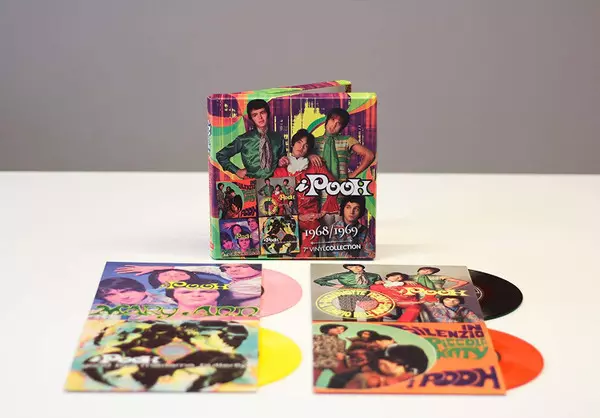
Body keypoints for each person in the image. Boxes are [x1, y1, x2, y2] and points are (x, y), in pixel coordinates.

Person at [272, 129, 340, 257]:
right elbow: (276, 200)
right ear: (292, 144)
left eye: (306, 145)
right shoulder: (280, 168)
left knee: (315, 229)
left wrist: (324, 210)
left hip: (310, 215)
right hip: (286, 215)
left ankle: (300, 261)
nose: (301, 147)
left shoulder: (315, 165)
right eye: (299, 142)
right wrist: (296, 217)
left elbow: (333, 185)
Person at [216, 99, 287, 179]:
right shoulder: (243, 139)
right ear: (251, 118)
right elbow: (221, 155)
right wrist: (237, 171)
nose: (260, 117)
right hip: (251, 182)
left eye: (262, 112)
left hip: (275, 181)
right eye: (255, 115)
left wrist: (282, 162)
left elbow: (282, 158)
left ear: (268, 113)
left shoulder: (278, 138)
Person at [312, 107, 374, 181]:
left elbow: (369, 155)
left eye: (338, 123)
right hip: (318, 184)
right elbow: (301, 156)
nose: (334, 125)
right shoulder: (314, 141)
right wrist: (310, 156)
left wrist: (354, 174)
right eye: (332, 120)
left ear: (342, 127)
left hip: (341, 185)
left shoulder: (347, 140)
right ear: (327, 120)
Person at [369, 272, 437, 322]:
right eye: (394, 276)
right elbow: (373, 294)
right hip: (389, 302)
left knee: (415, 309)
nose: (397, 278)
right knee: (374, 307)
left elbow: (429, 291)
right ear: (387, 277)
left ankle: (401, 325)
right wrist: (376, 283)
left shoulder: (410, 284)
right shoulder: (379, 285)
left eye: (400, 277)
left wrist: (425, 299)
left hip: (409, 302)